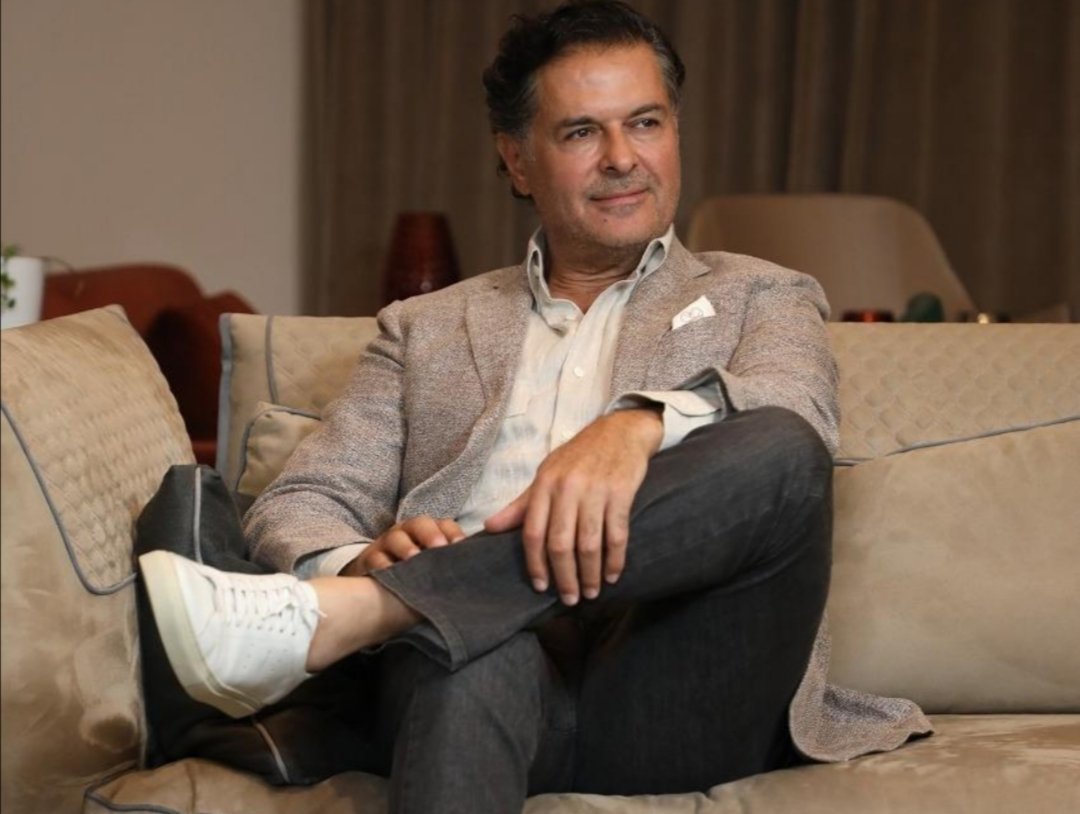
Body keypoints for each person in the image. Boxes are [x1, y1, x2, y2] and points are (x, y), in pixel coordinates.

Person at [138, 1, 930, 810]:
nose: (622, 158)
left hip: (675, 678)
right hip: (485, 672)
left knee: (783, 449)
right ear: (517, 161)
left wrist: (637, 425)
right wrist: (354, 561)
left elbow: (798, 412)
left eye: (645, 122)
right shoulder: (424, 328)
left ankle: (373, 612)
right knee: (467, 647)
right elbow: (305, 499)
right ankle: (407, 602)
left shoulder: (761, 293)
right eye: (582, 132)